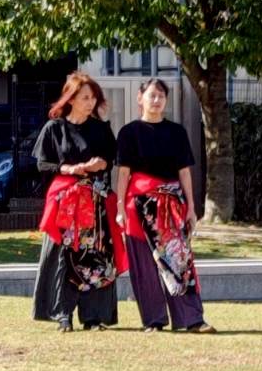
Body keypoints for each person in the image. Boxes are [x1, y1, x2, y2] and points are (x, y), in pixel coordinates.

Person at [114, 79, 215, 334]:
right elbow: (124, 173)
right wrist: (120, 208)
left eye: (161, 96)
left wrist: (191, 207)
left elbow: (185, 173)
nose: (156, 100)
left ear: (166, 100)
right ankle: (153, 320)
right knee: (144, 265)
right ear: (140, 98)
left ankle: (192, 319)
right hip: (139, 204)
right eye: (151, 95)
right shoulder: (129, 132)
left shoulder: (177, 132)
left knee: (180, 260)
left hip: (171, 206)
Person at [32, 71, 124, 333]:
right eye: (85, 97)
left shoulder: (101, 129)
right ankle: (63, 314)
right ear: (70, 99)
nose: (90, 102)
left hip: (95, 201)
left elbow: (110, 159)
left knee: (96, 255)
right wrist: (72, 169)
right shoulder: (54, 128)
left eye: (93, 98)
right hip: (67, 203)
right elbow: (42, 164)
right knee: (64, 255)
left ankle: (94, 317)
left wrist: (98, 164)